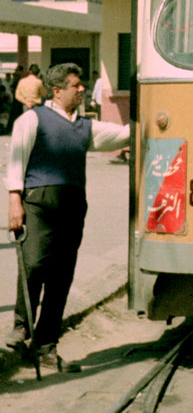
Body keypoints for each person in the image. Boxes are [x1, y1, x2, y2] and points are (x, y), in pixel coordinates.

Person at [5, 62, 130, 370]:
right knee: (33, 264)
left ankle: (46, 346)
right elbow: (16, 160)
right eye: (76, 85)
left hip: (72, 208)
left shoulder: (84, 127)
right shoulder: (32, 119)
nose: (82, 89)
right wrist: (14, 201)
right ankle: (22, 326)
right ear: (57, 91)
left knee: (61, 277)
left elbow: (122, 135)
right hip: (37, 204)